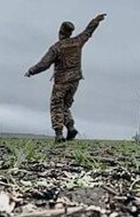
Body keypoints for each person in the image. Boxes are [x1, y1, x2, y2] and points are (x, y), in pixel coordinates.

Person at [25, 13, 107, 142]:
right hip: (75, 81)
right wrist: (95, 21)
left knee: (56, 105)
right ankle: (70, 127)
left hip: (61, 82)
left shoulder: (56, 48)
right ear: (70, 32)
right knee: (65, 106)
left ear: (60, 32)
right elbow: (88, 32)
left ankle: (59, 134)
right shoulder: (78, 42)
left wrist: (31, 71)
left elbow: (44, 64)